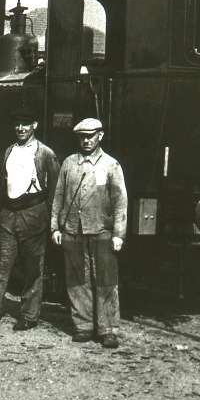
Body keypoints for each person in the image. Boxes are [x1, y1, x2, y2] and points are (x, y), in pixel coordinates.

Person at [0, 106, 60, 331]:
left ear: (34, 126)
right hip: (8, 215)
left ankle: (29, 315)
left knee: (32, 268)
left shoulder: (45, 153)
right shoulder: (10, 150)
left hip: (33, 214)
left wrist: (48, 219)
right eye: (17, 125)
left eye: (25, 124)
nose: (20, 129)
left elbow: (55, 190)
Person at [50, 117, 128, 349]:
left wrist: (118, 234)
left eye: (90, 136)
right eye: (82, 137)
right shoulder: (69, 164)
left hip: (102, 230)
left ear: (100, 136)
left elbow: (120, 201)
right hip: (73, 229)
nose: (86, 141)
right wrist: (55, 226)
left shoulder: (111, 165)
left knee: (105, 280)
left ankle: (108, 329)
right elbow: (58, 197)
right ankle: (83, 325)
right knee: (77, 280)